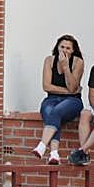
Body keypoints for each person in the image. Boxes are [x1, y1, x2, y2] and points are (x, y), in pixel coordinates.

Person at [33, 35, 85, 165]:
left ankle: (42, 145)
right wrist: (68, 91)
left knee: (56, 112)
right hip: (52, 98)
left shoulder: (78, 62)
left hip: (72, 101)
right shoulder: (49, 60)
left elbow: (73, 87)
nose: (64, 50)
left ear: (73, 50)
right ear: (57, 47)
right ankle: (54, 154)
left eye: (68, 48)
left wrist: (66, 67)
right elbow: (46, 86)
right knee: (49, 110)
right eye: (62, 47)